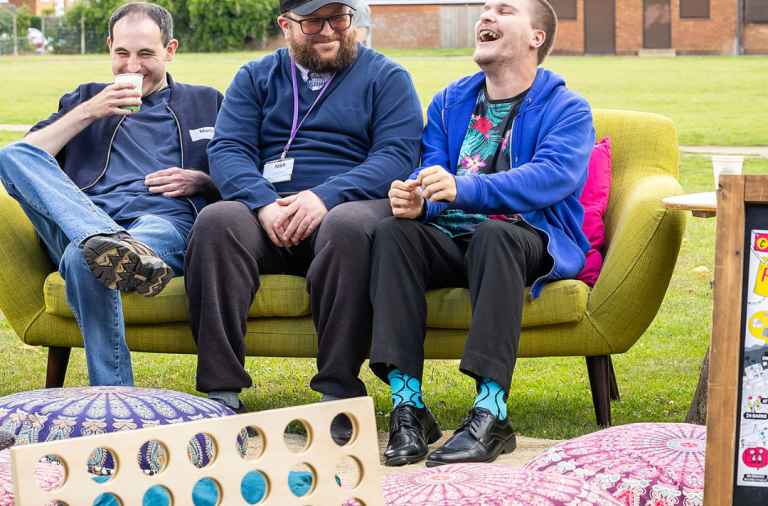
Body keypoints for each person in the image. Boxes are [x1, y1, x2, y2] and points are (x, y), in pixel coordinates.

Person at [368, 0, 595, 466]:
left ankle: (492, 415)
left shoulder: (567, 108)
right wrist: (419, 202)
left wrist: (464, 188)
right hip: (454, 238)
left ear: (536, 37)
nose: (486, 16)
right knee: (394, 233)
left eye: (504, 10)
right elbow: (432, 174)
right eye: (485, 9)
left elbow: (551, 176)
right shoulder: (450, 101)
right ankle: (408, 408)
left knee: (494, 234)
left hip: (529, 236)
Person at [184, 0, 422, 415]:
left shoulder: (386, 76)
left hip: (349, 207)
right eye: (313, 22)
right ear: (286, 25)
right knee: (217, 220)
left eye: (339, 18)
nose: (329, 31)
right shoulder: (257, 76)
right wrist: (261, 203)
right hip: (269, 211)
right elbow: (228, 149)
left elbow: (396, 155)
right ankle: (221, 393)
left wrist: (325, 197)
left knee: (348, 225)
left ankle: (338, 393)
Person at [0, 2, 222, 387]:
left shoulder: (206, 102)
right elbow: (27, 158)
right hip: (79, 217)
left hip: (160, 224)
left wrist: (203, 181)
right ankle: (101, 236)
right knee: (11, 154)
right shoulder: (86, 98)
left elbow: (246, 170)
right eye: (122, 53)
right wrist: (89, 111)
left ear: (170, 50)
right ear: (109, 48)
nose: (132, 66)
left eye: (146, 54)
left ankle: (114, 397)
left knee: (85, 258)